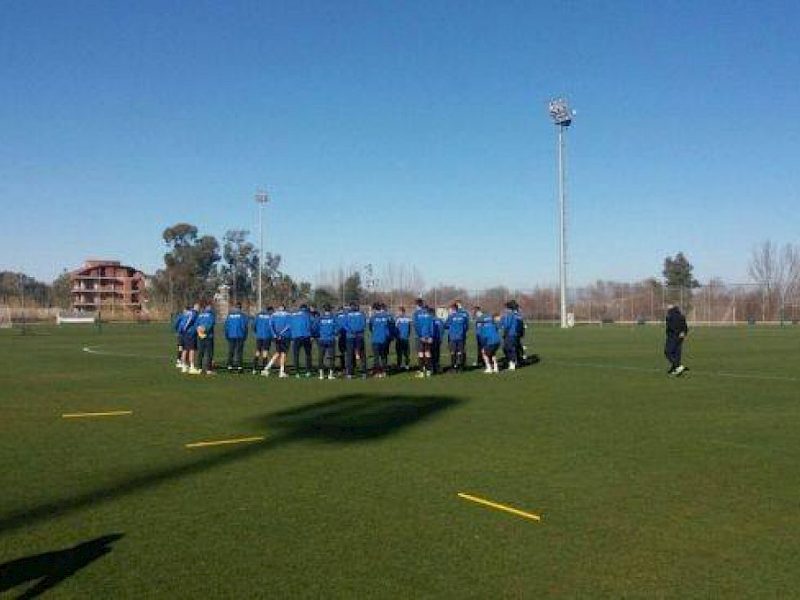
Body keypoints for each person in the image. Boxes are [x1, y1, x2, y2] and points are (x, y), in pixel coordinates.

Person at [265, 304, 291, 378]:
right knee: (283, 353)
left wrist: (274, 334)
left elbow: (270, 325)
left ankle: (266, 368)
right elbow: (289, 325)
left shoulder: (274, 315)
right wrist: (281, 333)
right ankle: (281, 372)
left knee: (278, 352)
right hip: (285, 336)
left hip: (276, 336)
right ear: (284, 308)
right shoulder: (288, 315)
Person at [368, 303, 393, 378]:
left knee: (376, 357)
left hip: (376, 339)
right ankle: (384, 372)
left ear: (375, 309)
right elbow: (389, 326)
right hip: (384, 339)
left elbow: (370, 328)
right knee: (383, 356)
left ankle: (377, 373)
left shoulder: (373, 317)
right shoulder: (386, 317)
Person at [343, 302, 368, 378]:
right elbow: (363, 324)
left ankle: (350, 373)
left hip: (351, 336)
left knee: (350, 355)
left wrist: (351, 330)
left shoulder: (347, 314)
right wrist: (357, 330)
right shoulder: (361, 314)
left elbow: (345, 325)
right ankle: (363, 372)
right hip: (358, 336)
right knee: (361, 354)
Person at [224, 302, 248, 373]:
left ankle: (229, 366)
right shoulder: (242, 315)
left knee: (231, 351)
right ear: (240, 308)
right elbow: (244, 326)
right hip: (240, 335)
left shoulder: (230, 315)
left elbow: (226, 326)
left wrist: (227, 335)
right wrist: (245, 335)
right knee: (239, 352)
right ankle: (239, 367)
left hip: (231, 335)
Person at [665, 305, 689, 375]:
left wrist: (674, 333)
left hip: (673, 336)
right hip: (681, 337)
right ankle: (674, 369)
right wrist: (683, 333)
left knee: (668, 352)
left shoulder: (670, 316)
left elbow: (671, 327)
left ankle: (678, 366)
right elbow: (685, 327)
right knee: (677, 353)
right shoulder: (681, 316)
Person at [290, 304, 313, 378]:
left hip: (296, 337)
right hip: (306, 336)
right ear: (306, 308)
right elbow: (309, 325)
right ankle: (308, 371)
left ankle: (297, 372)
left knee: (296, 355)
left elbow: (291, 326)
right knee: (308, 354)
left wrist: (292, 336)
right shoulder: (307, 315)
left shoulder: (293, 315)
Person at [315, 304, 338, 379]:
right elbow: (337, 328)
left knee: (321, 357)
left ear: (324, 309)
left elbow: (315, 327)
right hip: (331, 339)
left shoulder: (320, 318)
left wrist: (319, 334)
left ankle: (321, 374)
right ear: (330, 309)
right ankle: (330, 375)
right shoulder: (333, 318)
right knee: (331, 357)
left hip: (322, 339)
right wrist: (334, 333)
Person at [445, 303, 469, 371]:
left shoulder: (451, 317)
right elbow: (466, 327)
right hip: (461, 336)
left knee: (453, 351)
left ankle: (454, 366)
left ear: (453, 309)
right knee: (460, 351)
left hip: (453, 337)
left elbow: (446, 325)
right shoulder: (463, 317)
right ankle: (461, 367)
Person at [413, 301, 435, 378]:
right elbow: (432, 326)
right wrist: (431, 336)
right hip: (428, 336)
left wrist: (420, 336)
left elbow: (416, 326)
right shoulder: (429, 314)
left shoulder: (417, 314)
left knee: (421, 353)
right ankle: (428, 371)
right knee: (427, 352)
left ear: (417, 305)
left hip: (420, 336)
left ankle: (422, 372)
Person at [196, 303, 216, 375]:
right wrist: (205, 329)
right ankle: (208, 369)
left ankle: (199, 368)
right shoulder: (211, 315)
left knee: (200, 352)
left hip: (200, 336)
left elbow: (196, 324)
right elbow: (211, 324)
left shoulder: (200, 315)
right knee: (209, 353)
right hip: (208, 336)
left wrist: (199, 330)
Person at [252, 306, 273, 375]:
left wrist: (256, 332)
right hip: (267, 336)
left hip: (259, 336)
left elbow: (254, 325)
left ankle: (254, 369)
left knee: (258, 351)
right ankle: (264, 369)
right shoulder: (270, 316)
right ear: (270, 310)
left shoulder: (258, 315)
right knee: (265, 352)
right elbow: (272, 326)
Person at [180, 303, 200, 374]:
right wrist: (186, 328)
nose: (199, 309)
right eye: (198, 307)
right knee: (192, 349)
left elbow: (182, 322)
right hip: (190, 334)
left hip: (185, 334)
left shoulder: (187, 313)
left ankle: (184, 367)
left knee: (185, 349)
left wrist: (183, 330)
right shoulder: (194, 313)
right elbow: (190, 321)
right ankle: (192, 367)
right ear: (196, 307)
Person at [500, 302, 519, 370]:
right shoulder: (508, 315)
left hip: (510, 334)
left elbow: (507, 325)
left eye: (505, 308)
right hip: (509, 334)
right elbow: (502, 322)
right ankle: (511, 361)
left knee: (509, 348)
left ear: (508, 308)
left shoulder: (510, 315)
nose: (504, 309)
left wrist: (502, 328)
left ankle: (513, 362)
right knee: (505, 348)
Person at [431, 307, 444, 374]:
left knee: (431, 354)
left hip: (431, 339)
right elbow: (442, 330)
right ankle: (437, 367)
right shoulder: (439, 320)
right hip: (438, 339)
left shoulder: (430, 320)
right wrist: (441, 338)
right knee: (437, 353)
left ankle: (432, 368)